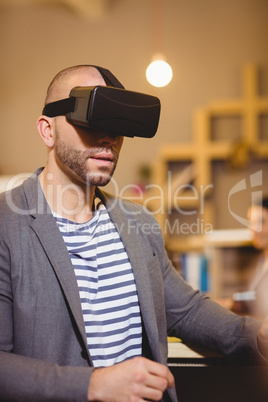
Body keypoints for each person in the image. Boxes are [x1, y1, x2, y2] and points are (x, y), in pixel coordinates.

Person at [0, 64, 268, 402]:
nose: (108, 138)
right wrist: (92, 386)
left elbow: (185, 311)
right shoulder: (6, 225)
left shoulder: (137, 221)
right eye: (92, 120)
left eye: (118, 126)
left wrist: (255, 335)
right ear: (47, 131)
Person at [231, 197, 268, 318]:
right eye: (251, 222)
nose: (254, 229)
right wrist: (232, 301)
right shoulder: (259, 261)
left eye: (261, 222)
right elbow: (254, 295)